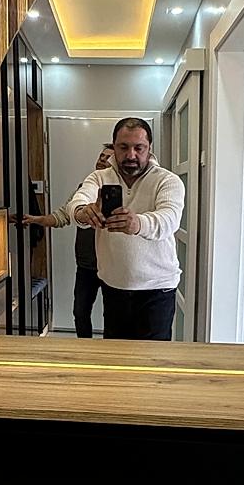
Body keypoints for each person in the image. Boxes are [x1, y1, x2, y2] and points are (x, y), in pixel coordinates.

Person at [66, 117, 185, 341]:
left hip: (158, 289)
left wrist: (137, 224)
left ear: (149, 148)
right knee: (116, 356)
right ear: (114, 147)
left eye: (139, 148)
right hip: (114, 287)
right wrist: (84, 212)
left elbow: (170, 220)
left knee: (153, 358)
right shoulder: (99, 178)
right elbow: (77, 202)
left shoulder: (168, 180)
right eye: (123, 147)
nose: (131, 155)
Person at [24, 145, 113, 338]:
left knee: (113, 317)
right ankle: (84, 350)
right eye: (101, 156)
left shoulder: (123, 193)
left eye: (108, 158)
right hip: (86, 265)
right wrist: (38, 219)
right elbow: (64, 215)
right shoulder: (83, 190)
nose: (102, 160)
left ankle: (109, 352)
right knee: (80, 313)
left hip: (113, 266)